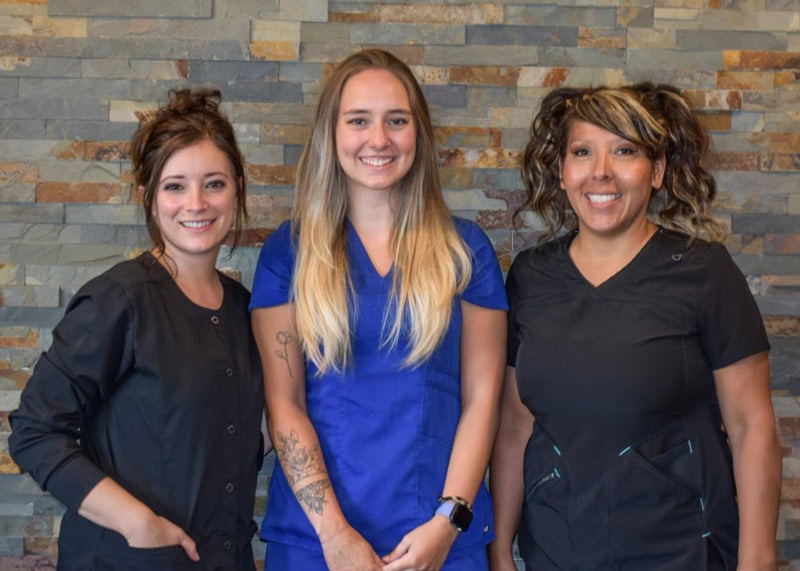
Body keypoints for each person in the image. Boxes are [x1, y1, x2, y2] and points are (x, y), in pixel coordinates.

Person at [489, 83, 781, 571]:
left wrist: (757, 560)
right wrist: (499, 549)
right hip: (559, 552)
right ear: (562, 172)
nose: (601, 171)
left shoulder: (704, 272)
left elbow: (752, 428)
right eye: (582, 152)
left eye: (624, 151)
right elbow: (515, 427)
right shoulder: (530, 276)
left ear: (658, 171)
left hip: (683, 552)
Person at [250, 49, 507, 570]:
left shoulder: (467, 250)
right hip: (315, 542)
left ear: (419, 133)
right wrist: (335, 534)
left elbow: (483, 400)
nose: (379, 139)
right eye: (358, 121)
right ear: (332, 133)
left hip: (441, 543)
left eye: (396, 120)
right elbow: (285, 404)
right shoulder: (289, 252)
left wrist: (446, 523)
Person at [9, 88, 264, 571]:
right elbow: (34, 431)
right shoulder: (118, 301)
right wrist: (135, 522)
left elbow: (223, 439)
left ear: (238, 190)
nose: (196, 203)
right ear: (148, 198)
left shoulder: (246, 310)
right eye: (175, 186)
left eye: (214, 183)